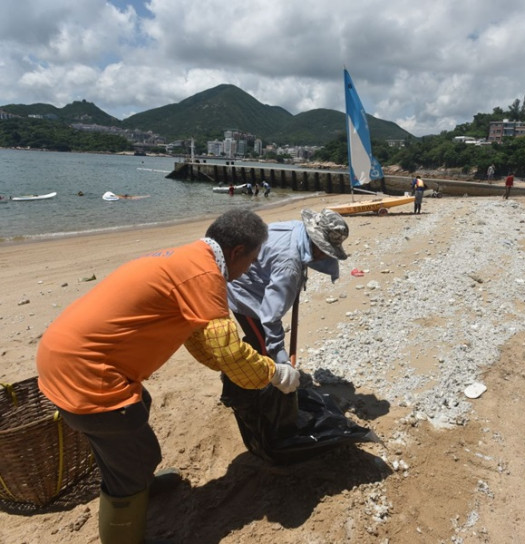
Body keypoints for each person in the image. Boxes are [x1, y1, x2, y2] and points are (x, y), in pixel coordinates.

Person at [35, 208, 300, 544]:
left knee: (136, 410)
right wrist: (275, 374)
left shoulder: (189, 258)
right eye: (251, 261)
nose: (249, 269)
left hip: (61, 354)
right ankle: (127, 511)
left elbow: (198, 337)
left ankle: (138, 480)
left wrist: (239, 367)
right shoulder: (205, 276)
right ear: (236, 253)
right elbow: (229, 352)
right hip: (85, 371)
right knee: (129, 451)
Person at [220, 208, 349, 447]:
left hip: (257, 280)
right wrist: (280, 359)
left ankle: (251, 368)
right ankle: (243, 382)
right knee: (264, 347)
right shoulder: (289, 264)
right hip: (244, 293)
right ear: (315, 243)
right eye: (324, 251)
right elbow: (269, 316)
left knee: (261, 344)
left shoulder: (297, 231)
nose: (325, 257)